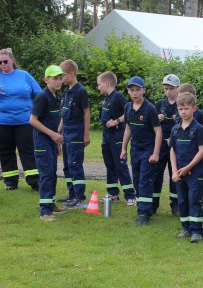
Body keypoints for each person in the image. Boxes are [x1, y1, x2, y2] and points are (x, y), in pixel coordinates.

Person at [0, 48, 41, 191]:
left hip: (24, 121)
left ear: (12, 61)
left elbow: (38, 95)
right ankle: (10, 182)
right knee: (5, 151)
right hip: (1, 122)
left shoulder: (24, 75)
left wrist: (39, 113)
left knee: (28, 150)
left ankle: (34, 181)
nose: (2, 64)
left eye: (5, 61)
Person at [120, 76, 162, 226]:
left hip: (148, 150)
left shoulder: (150, 109)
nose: (135, 93)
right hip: (135, 150)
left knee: (145, 180)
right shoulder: (127, 107)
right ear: (128, 91)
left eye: (138, 90)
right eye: (132, 90)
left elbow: (158, 131)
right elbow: (128, 128)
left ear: (143, 90)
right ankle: (143, 208)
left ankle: (144, 213)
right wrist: (124, 148)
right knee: (137, 181)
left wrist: (156, 153)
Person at [30, 65, 68, 221]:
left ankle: (51, 205)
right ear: (46, 80)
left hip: (52, 142)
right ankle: (45, 212)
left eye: (60, 78)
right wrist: (52, 134)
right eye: (55, 78)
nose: (58, 81)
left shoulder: (57, 96)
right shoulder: (42, 97)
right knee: (46, 175)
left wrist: (57, 141)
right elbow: (32, 120)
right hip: (42, 142)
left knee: (52, 174)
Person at [170, 92, 203, 242]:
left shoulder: (198, 129)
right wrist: (174, 170)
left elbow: (202, 151)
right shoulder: (175, 129)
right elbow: (172, 150)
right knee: (182, 200)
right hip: (179, 172)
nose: (183, 112)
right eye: (180, 109)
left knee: (194, 199)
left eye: (186, 108)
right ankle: (185, 228)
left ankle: (197, 230)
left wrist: (188, 167)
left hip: (195, 172)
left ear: (194, 108)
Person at [97, 71, 137, 206]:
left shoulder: (118, 96)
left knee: (120, 166)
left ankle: (131, 196)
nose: (98, 87)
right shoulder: (106, 98)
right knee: (110, 166)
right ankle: (112, 193)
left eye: (99, 84)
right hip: (106, 138)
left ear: (107, 83)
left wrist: (116, 121)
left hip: (117, 138)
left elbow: (129, 112)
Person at [58, 60, 90, 209]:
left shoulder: (80, 91)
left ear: (71, 74)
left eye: (62, 75)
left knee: (75, 165)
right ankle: (71, 194)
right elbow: (64, 113)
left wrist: (86, 134)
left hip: (76, 134)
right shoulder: (66, 91)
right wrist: (59, 128)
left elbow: (87, 112)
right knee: (67, 165)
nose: (60, 78)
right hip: (66, 133)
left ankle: (81, 198)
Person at [153, 74, 181, 216]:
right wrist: (157, 119)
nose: (168, 91)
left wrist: (179, 120)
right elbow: (152, 124)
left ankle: (175, 205)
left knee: (174, 174)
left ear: (177, 88)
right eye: (166, 88)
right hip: (161, 144)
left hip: (176, 146)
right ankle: (153, 204)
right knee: (156, 174)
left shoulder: (181, 105)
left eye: (171, 88)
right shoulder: (159, 104)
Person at [176, 83, 203, 168]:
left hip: (196, 157)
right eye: (179, 97)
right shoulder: (180, 113)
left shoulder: (200, 115)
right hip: (181, 157)